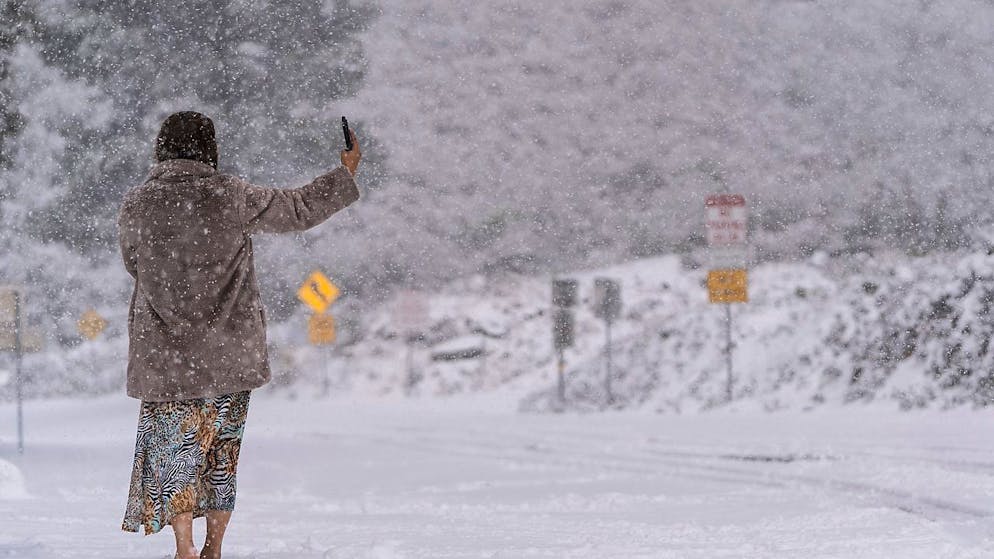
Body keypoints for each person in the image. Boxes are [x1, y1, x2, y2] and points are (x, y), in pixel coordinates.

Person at [118, 111, 361, 559]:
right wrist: (345, 173)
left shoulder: (138, 203)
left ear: (162, 148)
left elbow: (133, 264)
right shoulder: (231, 195)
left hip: (166, 356)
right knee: (220, 454)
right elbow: (299, 208)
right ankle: (214, 546)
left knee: (175, 451)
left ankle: (185, 547)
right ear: (209, 148)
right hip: (228, 354)